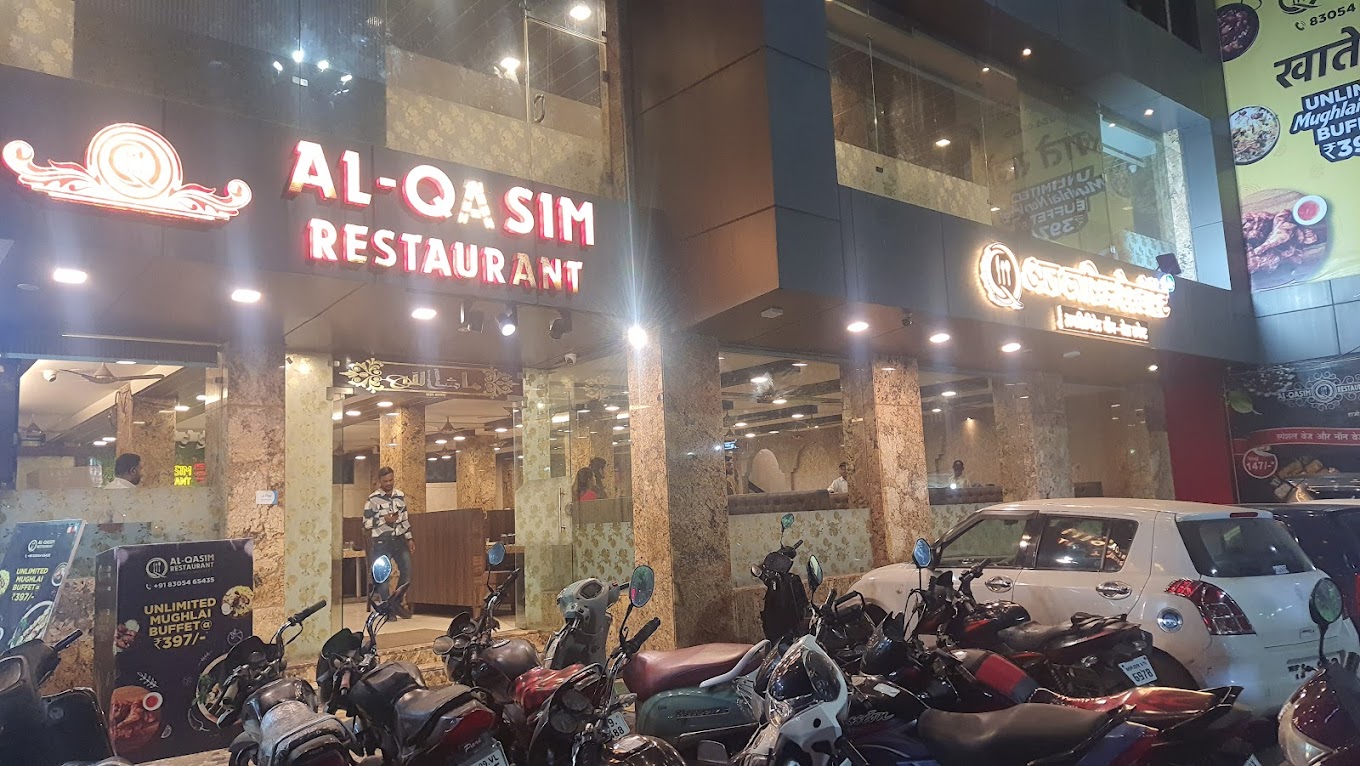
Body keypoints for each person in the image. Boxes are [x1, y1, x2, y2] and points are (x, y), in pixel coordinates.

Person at [364, 466, 415, 619]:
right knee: (383, 576)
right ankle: (389, 610)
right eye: (385, 481)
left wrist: (409, 538)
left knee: (407, 571)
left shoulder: (400, 496)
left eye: (391, 480)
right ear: (380, 481)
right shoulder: (372, 499)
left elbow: (404, 519)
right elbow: (366, 523)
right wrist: (383, 519)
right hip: (381, 541)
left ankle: (394, 604)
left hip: (399, 539)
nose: (388, 483)